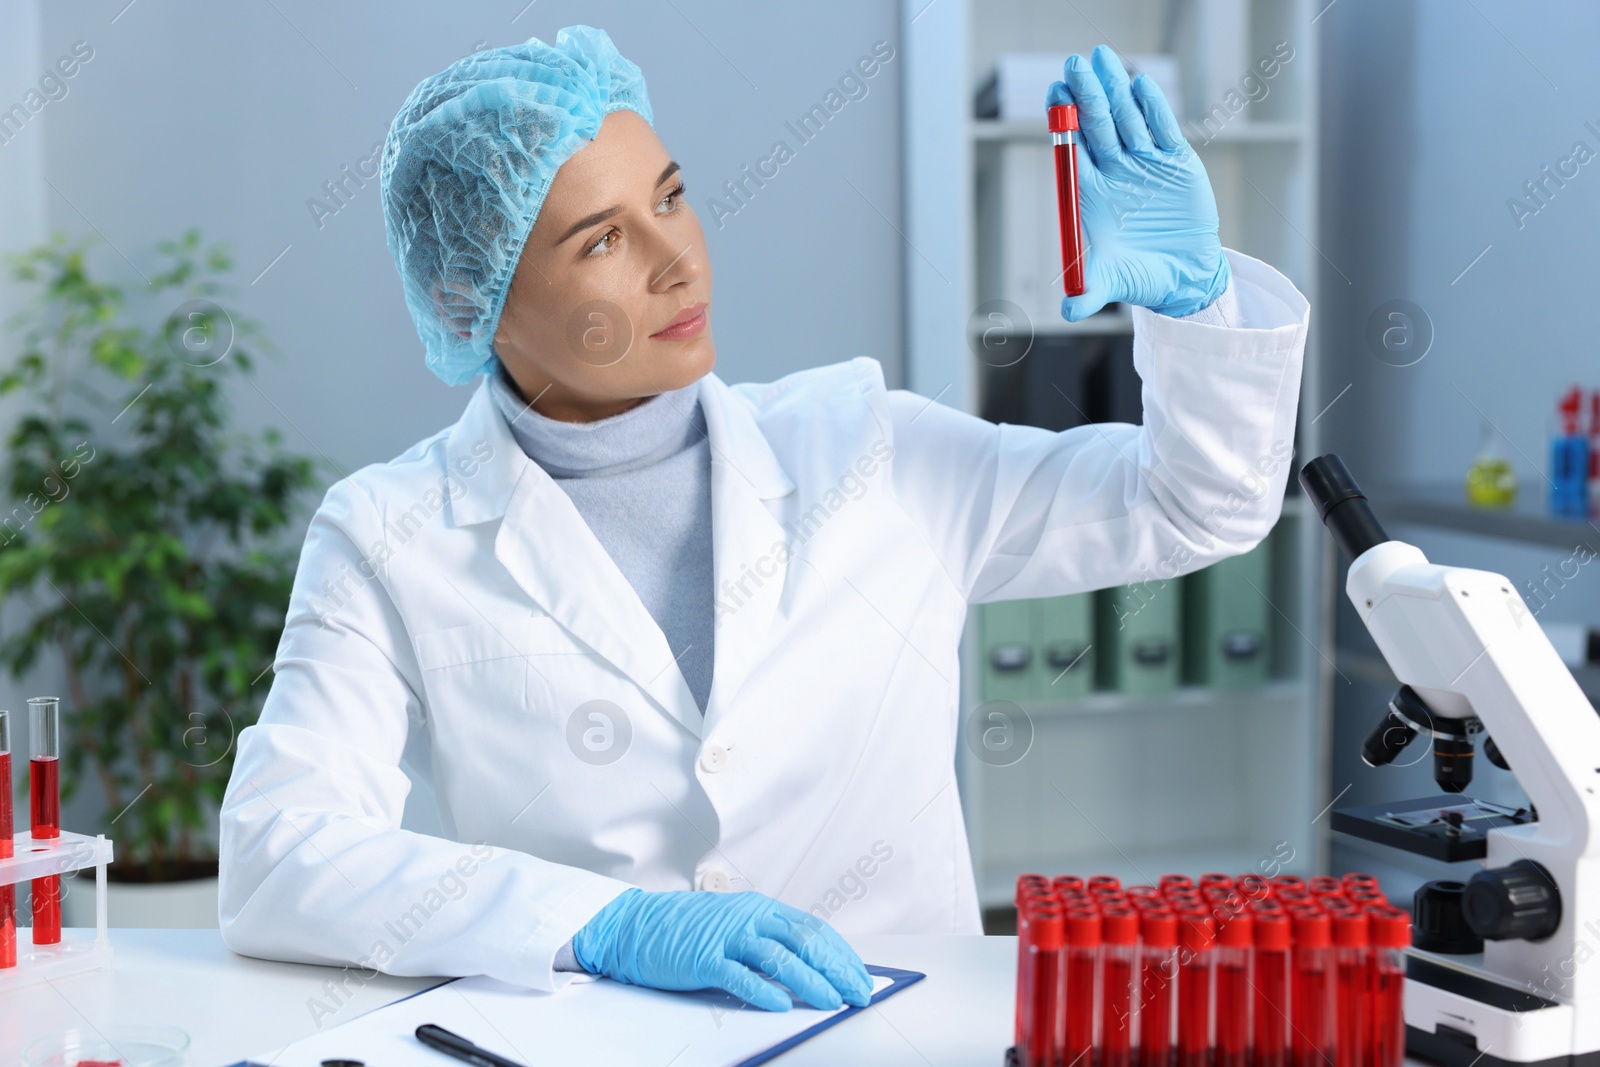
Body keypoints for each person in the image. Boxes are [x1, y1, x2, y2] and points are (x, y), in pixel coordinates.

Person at [217, 26, 1308, 1013]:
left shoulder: (866, 447)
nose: (676, 258)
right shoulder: (389, 530)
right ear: (471, 301)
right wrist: (601, 924)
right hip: (606, 1041)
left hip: (905, 1032)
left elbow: (1191, 505)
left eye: (671, 195)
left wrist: (1193, 303)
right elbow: (277, 851)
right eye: (600, 241)